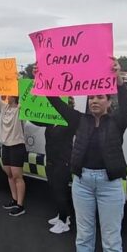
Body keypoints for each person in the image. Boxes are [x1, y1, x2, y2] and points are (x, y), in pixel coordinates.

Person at [47, 59, 127, 252]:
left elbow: (126, 105)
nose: (94, 100)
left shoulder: (118, 122)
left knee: (111, 239)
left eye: (100, 97)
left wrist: (118, 79)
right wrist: (41, 77)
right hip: (82, 183)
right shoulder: (79, 120)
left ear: (109, 102)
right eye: (92, 97)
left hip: (109, 185)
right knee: (84, 236)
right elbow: (55, 102)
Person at [0, 94, 27, 217]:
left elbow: (30, 102)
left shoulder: (21, 109)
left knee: (17, 176)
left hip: (17, 146)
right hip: (5, 146)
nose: (6, 97)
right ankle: (14, 200)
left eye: (9, 95)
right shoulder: (4, 108)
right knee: (9, 175)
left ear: (15, 97)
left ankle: (20, 205)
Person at [44, 95, 77, 234]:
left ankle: (64, 222)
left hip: (62, 161)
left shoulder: (70, 122)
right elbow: (36, 120)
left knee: (60, 190)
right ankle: (62, 215)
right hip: (51, 160)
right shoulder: (52, 119)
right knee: (54, 188)